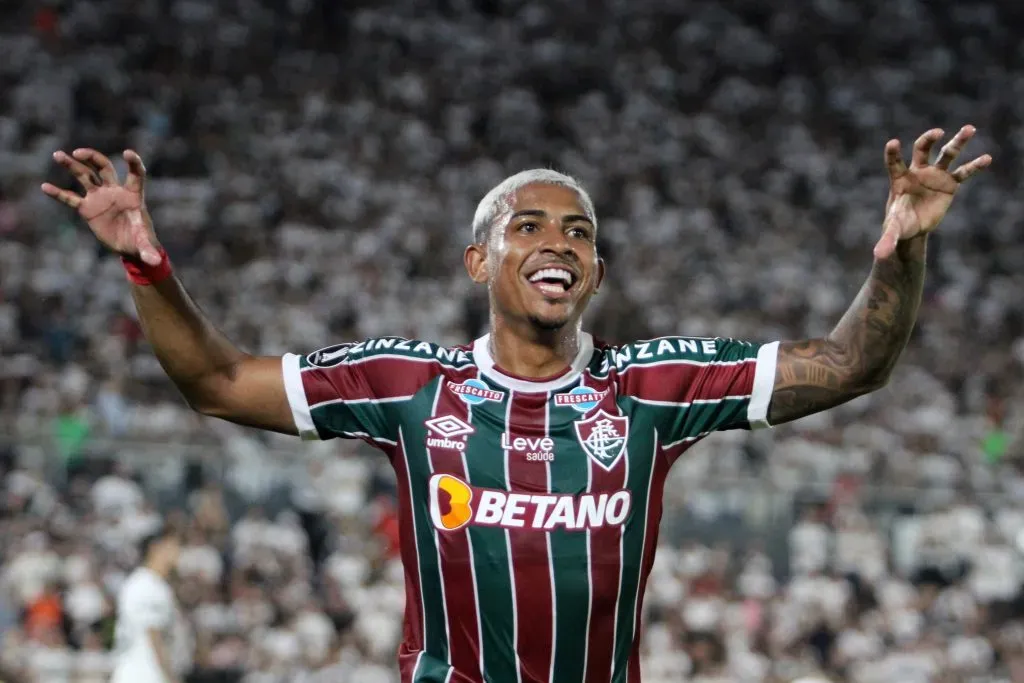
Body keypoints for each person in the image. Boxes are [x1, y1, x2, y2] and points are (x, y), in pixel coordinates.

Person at [41, 126, 990, 682]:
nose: (556, 242)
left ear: (596, 270)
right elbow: (213, 382)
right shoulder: (410, 383)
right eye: (527, 226)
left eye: (577, 232)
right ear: (479, 261)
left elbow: (849, 363)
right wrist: (145, 261)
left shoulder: (650, 386)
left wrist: (902, 247)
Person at [110, 526, 187, 683]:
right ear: (155, 548)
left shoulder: (150, 583)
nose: (179, 552)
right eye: (173, 546)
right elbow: (153, 635)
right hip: (144, 674)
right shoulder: (146, 585)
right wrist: (171, 678)